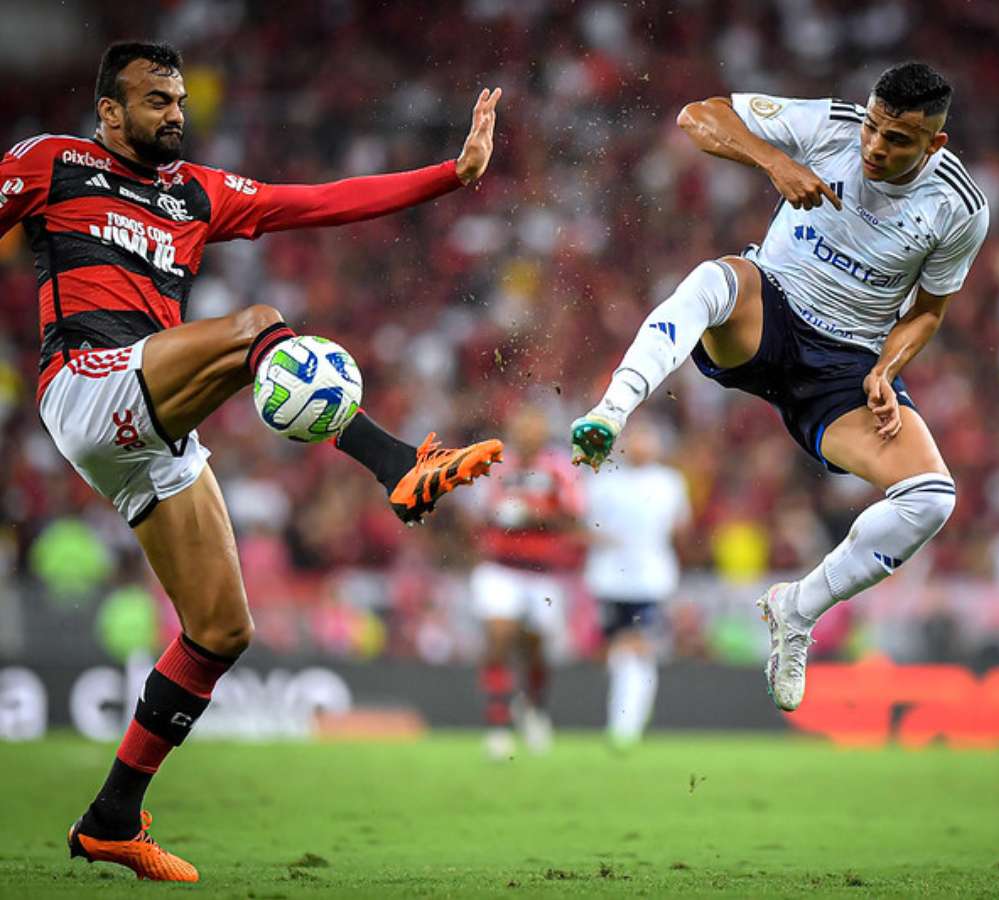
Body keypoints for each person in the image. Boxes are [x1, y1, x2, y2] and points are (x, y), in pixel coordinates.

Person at [0, 41, 504, 881]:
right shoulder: (53, 164)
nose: (173, 113)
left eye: (178, 100)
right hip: (86, 382)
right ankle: (394, 466)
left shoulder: (197, 192)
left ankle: (111, 817)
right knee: (255, 325)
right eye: (154, 101)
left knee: (222, 629)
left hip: (149, 429)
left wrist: (450, 175)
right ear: (109, 112)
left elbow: (325, 202)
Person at [570, 62, 989, 712]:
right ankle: (613, 407)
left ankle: (797, 610)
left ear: (934, 144)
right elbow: (698, 116)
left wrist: (887, 368)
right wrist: (773, 161)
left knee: (932, 499)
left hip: (845, 368)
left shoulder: (958, 207)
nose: (875, 146)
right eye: (874, 128)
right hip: (769, 312)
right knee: (717, 278)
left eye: (898, 140)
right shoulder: (830, 127)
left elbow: (930, 309)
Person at [470, 404, 583, 759]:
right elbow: (474, 513)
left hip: (542, 573)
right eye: (522, 427)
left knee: (535, 650)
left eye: (534, 427)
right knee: (499, 637)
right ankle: (497, 725)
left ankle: (533, 707)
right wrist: (496, 517)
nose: (527, 434)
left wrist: (536, 514)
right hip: (500, 568)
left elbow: (575, 518)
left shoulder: (559, 469)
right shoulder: (493, 465)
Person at [583, 419, 690, 749]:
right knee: (618, 649)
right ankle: (627, 716)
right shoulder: (602, 481)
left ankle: (626, 725)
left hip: (650, 578)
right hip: (609, 577)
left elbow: (680, 528)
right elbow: (583, 525)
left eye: (649, 438)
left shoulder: (669, 482)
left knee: (638, 644)